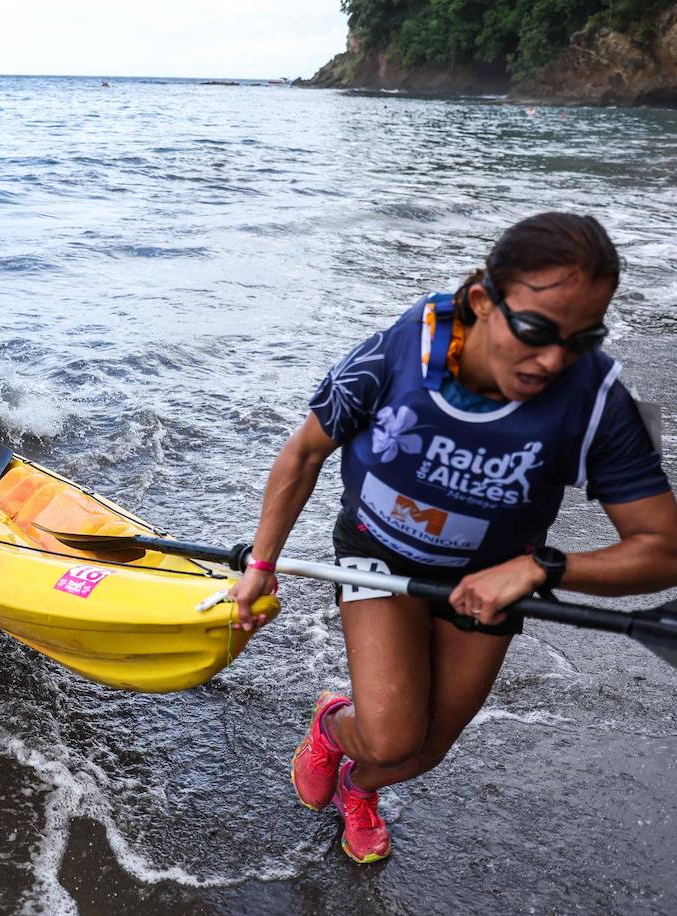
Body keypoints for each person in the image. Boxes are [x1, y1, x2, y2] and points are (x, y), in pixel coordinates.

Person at [231, 213, 677, 863]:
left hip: (493, 581)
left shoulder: (598, 400)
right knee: (389, 736)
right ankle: (333, 726)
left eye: (582, 340)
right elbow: (303, 454)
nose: (554, 359)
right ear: (480, 302)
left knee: (424, 751)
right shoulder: (399, 351)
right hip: (377, 555)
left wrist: (542, 569)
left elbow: (662, 547)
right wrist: (262, 562)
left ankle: (357, 787)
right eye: (535, 331)